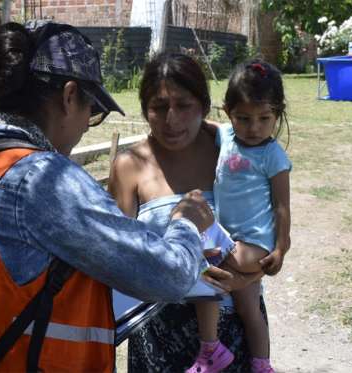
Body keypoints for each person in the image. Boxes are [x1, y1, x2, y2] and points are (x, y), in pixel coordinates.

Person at [0, 21, 220, 373]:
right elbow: (170, 276)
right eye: (92, 112)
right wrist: (184, 223)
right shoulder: (43, 180)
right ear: (70, 95)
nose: (85, 125)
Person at [108, 53, 267, 373]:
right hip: (157, 334)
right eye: (159, 107)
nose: (171, 119)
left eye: (183, 106)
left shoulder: (235, 154)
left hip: (233, 329)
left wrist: (235, 281)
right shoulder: (128, 167)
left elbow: (267, 244)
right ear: (144, 110)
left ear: (204, 105)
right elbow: (117, 260)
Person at [187, 59, 291, 373]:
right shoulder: (225, 136)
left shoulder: (274, 155)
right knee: (245, 307)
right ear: (228, 112)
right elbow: (194, 122)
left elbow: (282, 205)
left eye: (264, 118)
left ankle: (227, 355)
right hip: (229, 236)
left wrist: (281, 248)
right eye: (243, 118)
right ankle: (247, 360)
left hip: (254, 243)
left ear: (277, 114)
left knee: (207, 273)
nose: (254, 127)